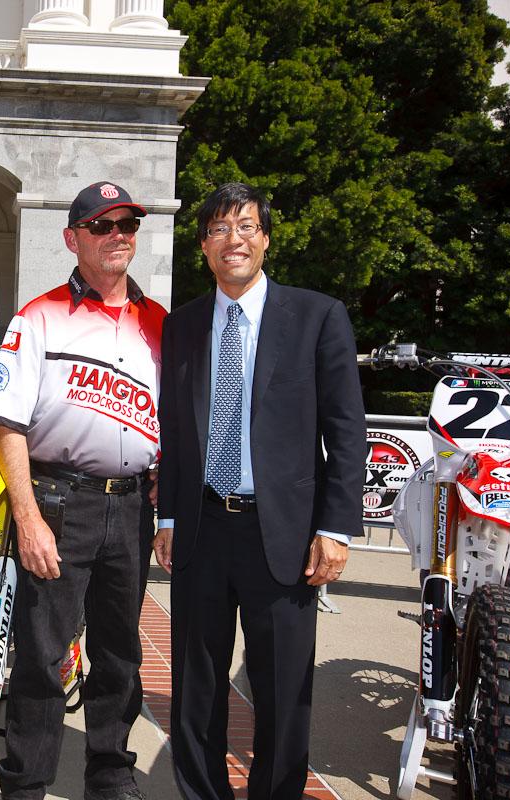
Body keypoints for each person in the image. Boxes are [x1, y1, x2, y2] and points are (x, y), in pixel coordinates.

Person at [154, 182, 366, 800]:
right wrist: (168, 515)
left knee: (282, 690)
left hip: (286, 535)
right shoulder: (184, 325)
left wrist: (335, 527)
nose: (233, 240)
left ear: (266, 237)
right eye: (219, 229)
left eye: (246, 226)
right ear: (203, 246)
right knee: (197, 687)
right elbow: (175, 426)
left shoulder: (317, 316)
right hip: (201, 529)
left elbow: (345, 429)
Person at [0, 181, 165, 800]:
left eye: (128, 226)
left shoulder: (158, 321)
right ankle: (26, 785)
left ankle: (110, 775)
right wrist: (28, 519)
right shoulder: (37, 315)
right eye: (102, 225)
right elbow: (7, 424)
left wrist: (167, 517)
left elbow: (176, 428)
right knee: (42, 653)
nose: (118, 236)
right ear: (73, 238)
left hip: (134, 504)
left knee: (119, 654)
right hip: (60, 499)